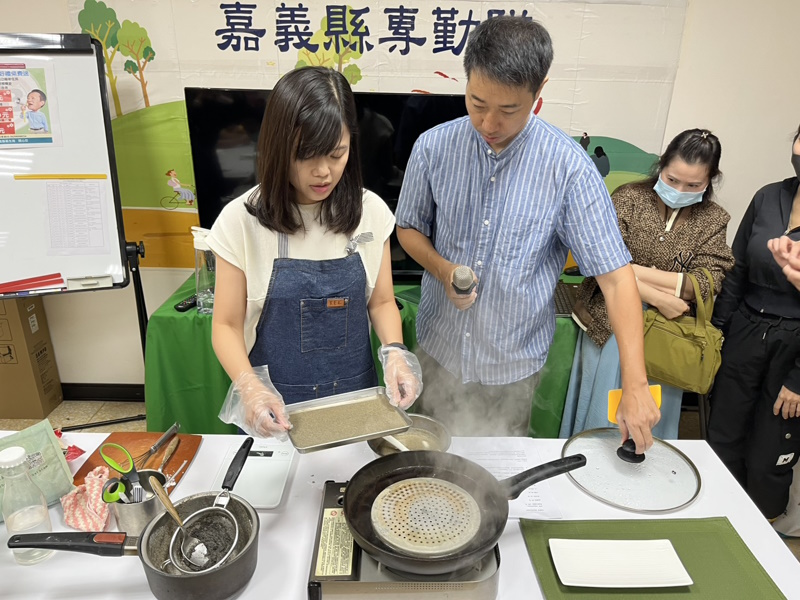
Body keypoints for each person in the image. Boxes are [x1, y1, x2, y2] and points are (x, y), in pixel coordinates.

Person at [395, 17, 660, 449]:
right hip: (438, 348)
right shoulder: (433, 147)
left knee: (494, 474)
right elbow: (408, 228)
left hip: (512, 368)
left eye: (508, 110)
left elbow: (616, 279)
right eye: (477, 103)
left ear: (539, 93)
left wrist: (635, 385)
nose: (488, 123)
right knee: (428, 460)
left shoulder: (568, 168)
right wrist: (442, 269)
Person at [206, 66, 423, 438]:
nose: (323, 172)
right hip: (276, 413)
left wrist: (395, 353)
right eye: (306, 155)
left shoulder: (370, 212)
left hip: (356, 403)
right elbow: (225, 325)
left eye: (337, 154)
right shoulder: (239, 221)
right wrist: (250, 388)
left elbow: (382, 301)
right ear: (278, 147)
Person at [560, 129, 734, 440]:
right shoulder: (628, 198)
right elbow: (597, 264)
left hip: (666, 337)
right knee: (601, 416)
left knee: (649, 419)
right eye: (672, 180)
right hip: (608, 324)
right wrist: (661, 297)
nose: (679, 190)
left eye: (693, 185)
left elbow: (704, 283)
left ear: (710, 180)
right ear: (661, 165)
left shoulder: (714, 219)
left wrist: (627, 270)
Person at [708, 124, 800, 520]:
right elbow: (737, 268)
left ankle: (762, 526)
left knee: (769, 449)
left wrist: (799, 380)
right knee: (724, 432)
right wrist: (718, 331)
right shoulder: (769, 196)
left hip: (794, 344)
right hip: (746, 326)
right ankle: (714, 514)